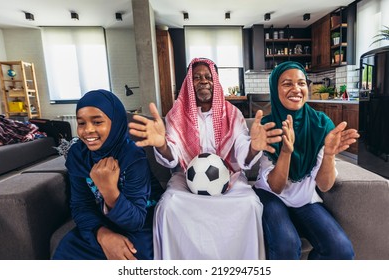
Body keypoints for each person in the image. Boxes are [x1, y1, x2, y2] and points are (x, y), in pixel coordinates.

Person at [129, 57, 283, 259]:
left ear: (215, 81)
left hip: (229, 178)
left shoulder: (232, 114)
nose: (203, 81)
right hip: (187, 179)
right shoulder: (176, 115)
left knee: (250, 204)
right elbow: (173, 157)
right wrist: (161, 144)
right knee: (168, 206)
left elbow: (242, 149)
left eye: (208, 77)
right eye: (197, 77)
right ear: (188, 83)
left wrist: (254, 147)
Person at [253, 61, 359, 260]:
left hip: (305, 198)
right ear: (274, 89)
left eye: (301, 83)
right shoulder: (267, 127)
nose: (296, 89)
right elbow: (276, 187)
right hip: (271, 196)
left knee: (341, 249)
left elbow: (325, 186)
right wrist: (286, 152)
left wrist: (328, 155)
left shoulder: (321, 123)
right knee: (287, 244)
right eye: (287, 83)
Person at [52, 89, 155, 260]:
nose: (88, 131)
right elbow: (80, 205)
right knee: (67, 249)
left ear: (115, 123)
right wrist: (102, 234)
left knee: (134, 254)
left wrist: (109, 191)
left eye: (98, 122)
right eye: (81, 123)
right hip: (102, 220)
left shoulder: (132, 156)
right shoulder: (78, 155)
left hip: (140, 220)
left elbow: (136, 220)